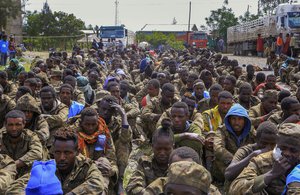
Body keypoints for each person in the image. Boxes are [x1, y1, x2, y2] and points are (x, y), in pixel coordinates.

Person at [229, 123, 300, 194]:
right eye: (283, 148)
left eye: (293, 150)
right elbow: (235, 189)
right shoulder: (262, 161)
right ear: (277, 144)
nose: (287, 153)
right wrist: (271, 174)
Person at [225, 121, 278, 189]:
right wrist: (252, 156)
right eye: (264, 143)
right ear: (256, 139)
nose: (268, 148)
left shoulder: (277, 151)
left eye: (272, 144)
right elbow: (228, 174)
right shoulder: (246, 151)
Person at [96, 95, 132, 194]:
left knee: (123, 144)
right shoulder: (92, 120)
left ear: (113, 112)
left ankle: (119, 180)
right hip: (94, 151)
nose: (105, 112)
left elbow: (126, 138)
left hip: (112, 152)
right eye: (103, 109)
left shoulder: (117, 122)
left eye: (109, 110)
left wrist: (123, 115)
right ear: (98, 107)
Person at [77, 107, 118, 193]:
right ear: (81, 123)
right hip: (79, 170)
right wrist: (92, 164)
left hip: (100, 169)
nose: (90, 128)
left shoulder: (103, 132)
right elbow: (72, 158)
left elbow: (111, 158)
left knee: (104, 162)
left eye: (93, 124)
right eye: (87, 124)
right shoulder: (73, 134)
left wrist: (112, 170)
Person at [213, 103, 255, 182]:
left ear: (245, 121)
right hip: (226, 164)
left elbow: (258, 144)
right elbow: (218, 148)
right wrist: (235, 161)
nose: (236, 122)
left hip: (245, 164)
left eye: (240, 119)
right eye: (234, 119)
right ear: (229, 120)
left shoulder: (250, 131)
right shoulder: (222, 130)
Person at [126, 126, 174, 194]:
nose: (162, 153)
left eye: (166, 149)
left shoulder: (179, 164)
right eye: (158, 149)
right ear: (152, 147)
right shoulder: (145, 162)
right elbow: (132, 187)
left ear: (173, 147)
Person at [0, 110, 43, 178]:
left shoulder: (31, 136)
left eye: (18, 125)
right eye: (10, 125)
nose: (14, 128)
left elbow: (37, 153)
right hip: (4, 171)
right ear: (5, 125)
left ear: (24, 124)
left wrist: (13, 165)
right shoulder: (1, 136)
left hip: (25, 172)